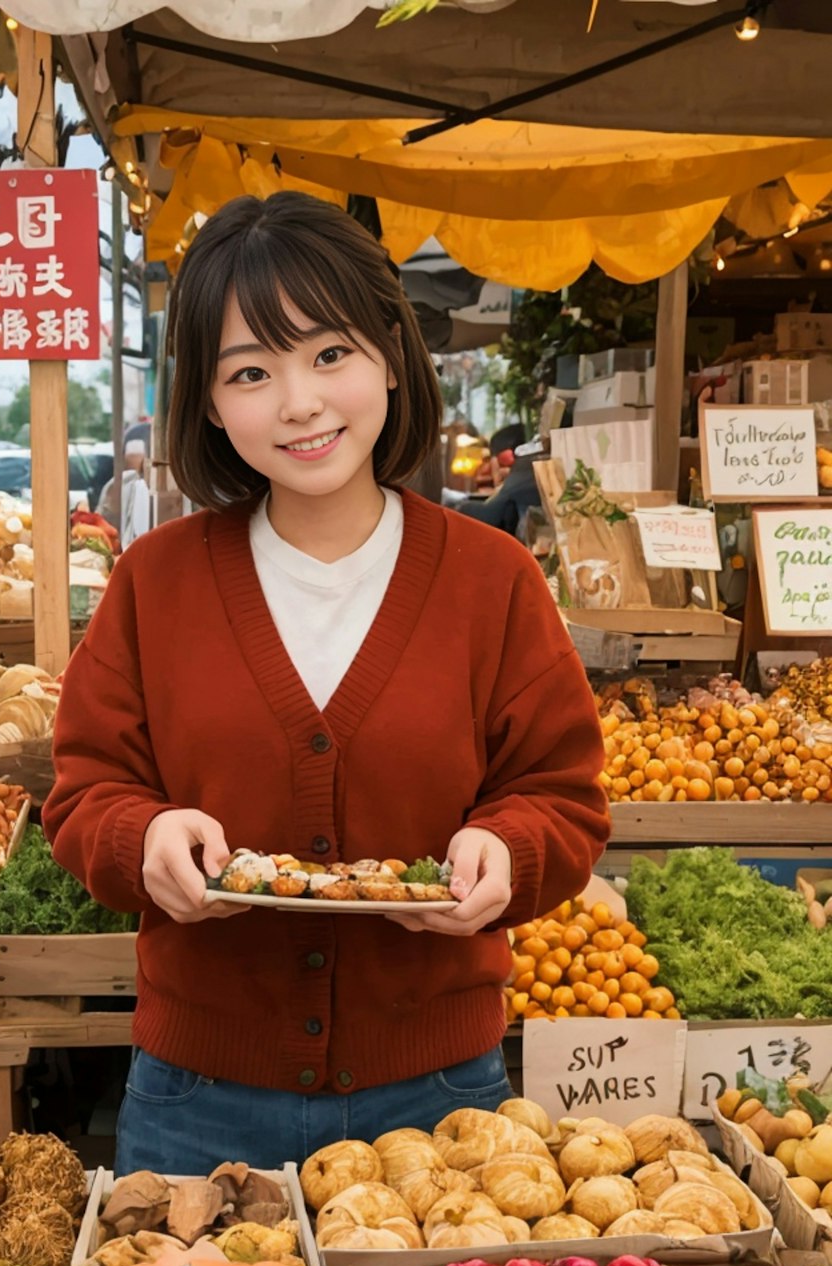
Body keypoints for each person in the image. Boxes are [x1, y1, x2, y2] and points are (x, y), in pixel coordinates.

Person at [42, 191, 610, 1176]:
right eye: (251, 371)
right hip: (196, 1103)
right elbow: (85, 792)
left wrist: (503, 851)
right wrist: (145, 841)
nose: (299, 401)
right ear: (211, 405)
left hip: (442, 1105)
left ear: (390, 354)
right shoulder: (158, 580)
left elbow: (561, 798)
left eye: (329, 353)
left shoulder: (491, 581)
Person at [96, 442, 151, 548]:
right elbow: (102, 518)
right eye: (130, 458)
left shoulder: (148, 489)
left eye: (137, 458)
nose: (134, 463)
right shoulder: (118, 483)